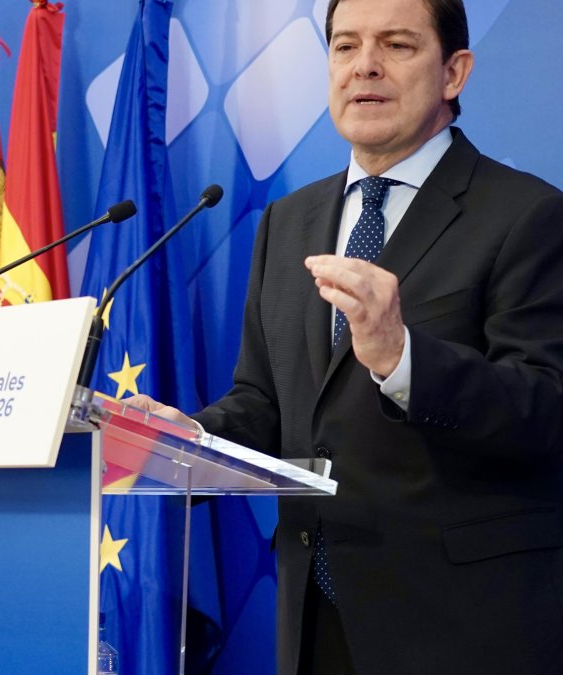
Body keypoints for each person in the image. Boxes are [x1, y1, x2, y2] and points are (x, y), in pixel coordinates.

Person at [129, 0, 563, 672]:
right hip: (314, 618)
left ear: (455, 71)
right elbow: (264, 402)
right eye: (344, 46)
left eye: (396, 44)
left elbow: (544, 409)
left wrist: (402, 358)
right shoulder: (287, 222)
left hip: (463, 623)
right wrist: (191, 437)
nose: (364, 66)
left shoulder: (526, 215)